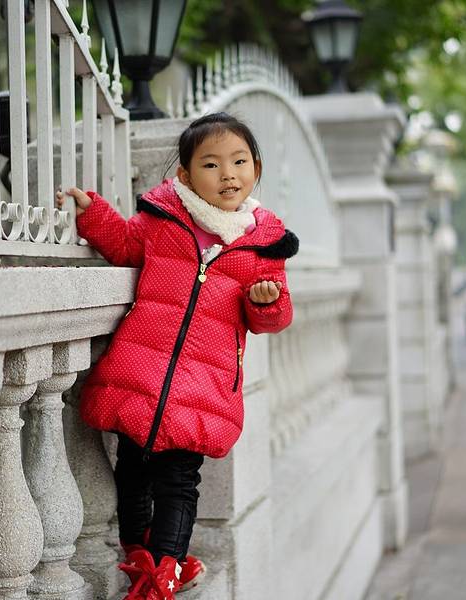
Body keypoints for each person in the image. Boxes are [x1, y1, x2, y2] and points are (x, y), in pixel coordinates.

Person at [56, 112, 298, 600]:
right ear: (185, 175)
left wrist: (266, 301)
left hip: (201, 388)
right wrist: (92, 212)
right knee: (132, 470)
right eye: (211, 164)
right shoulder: (163, 219)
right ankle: (141, 559)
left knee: (179, 481)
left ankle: (163, 574)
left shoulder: (263, 244)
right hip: (141, 372)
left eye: (239, 162)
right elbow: (124, 244)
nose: (227, 174)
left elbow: (272, 318)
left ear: (256, 168)